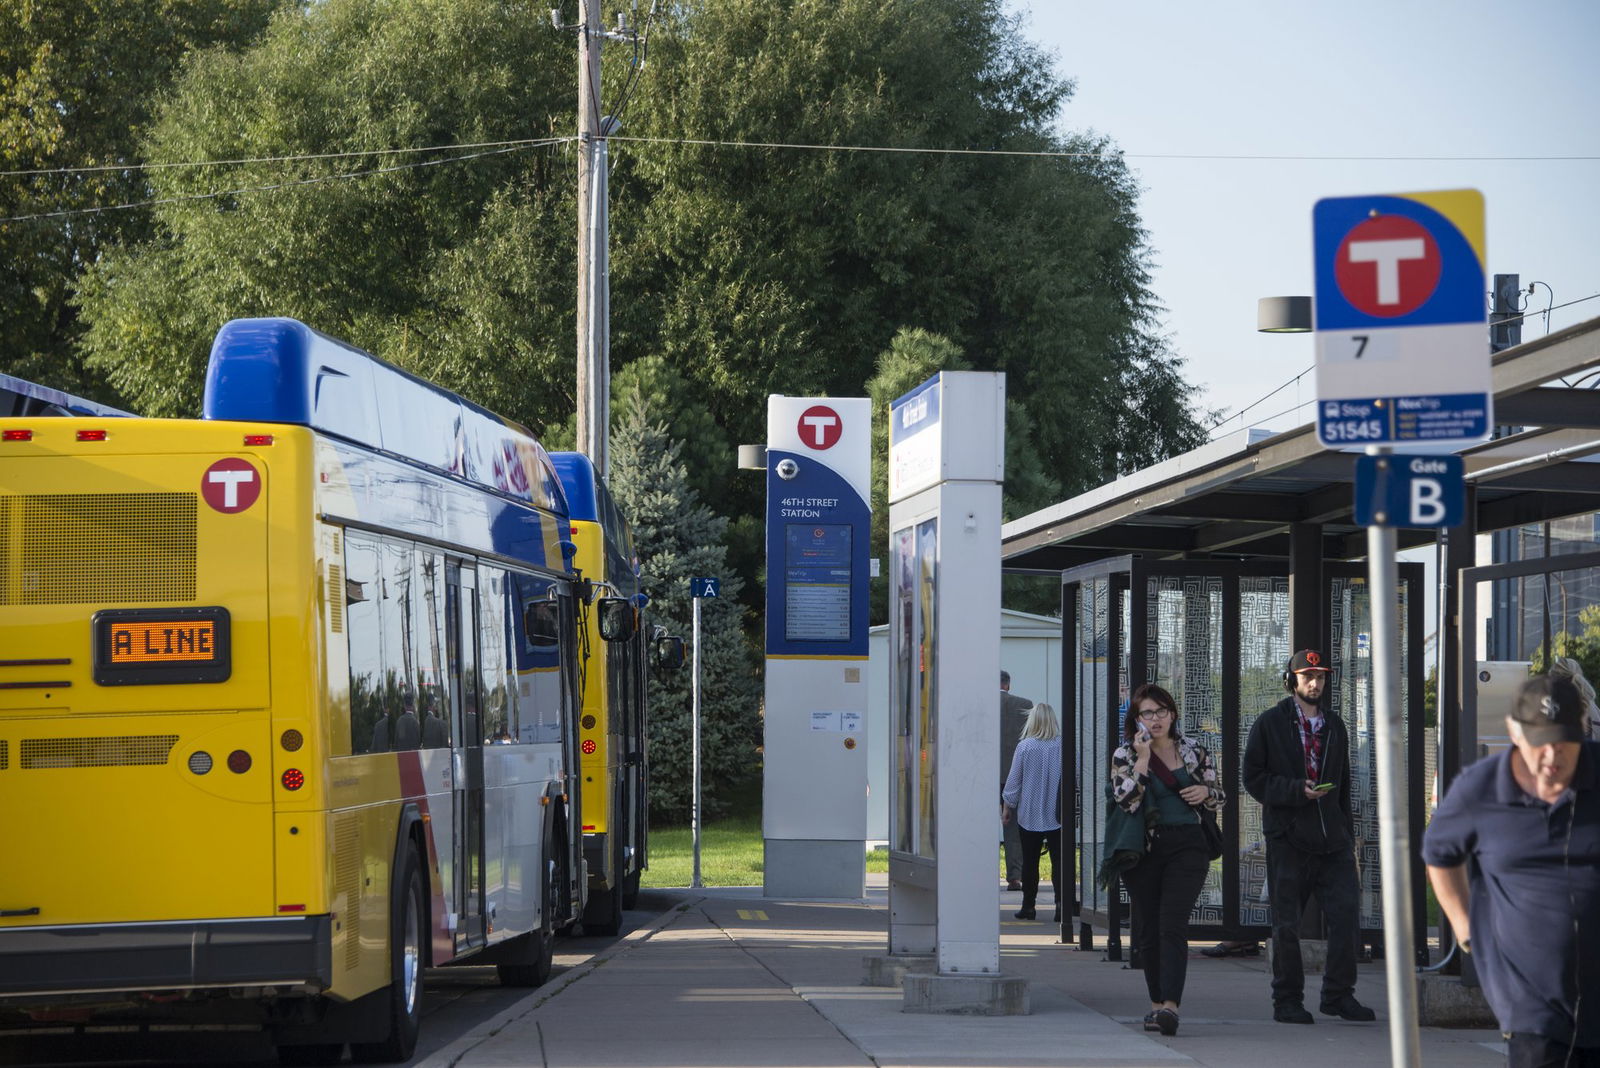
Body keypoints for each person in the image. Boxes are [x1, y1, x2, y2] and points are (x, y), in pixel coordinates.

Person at [1424, 674, 1600, 1067]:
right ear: (1515, 733)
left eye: (1564, 744)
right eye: (1541, 744)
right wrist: (1466, 929)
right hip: (1531, 1007)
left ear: (1583, 732)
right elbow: (1439, 854)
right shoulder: (1481, 787)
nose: (1552, 758)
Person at [1243, 648, 1376, 1025]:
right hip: (1288, 838)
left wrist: (1347, 832)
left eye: (1320, 677)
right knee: (1287, 924)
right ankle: (1286, 1000)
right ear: (1292, 681)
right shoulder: (1270, 723)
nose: (1315, 683)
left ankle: (1338, 995)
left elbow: (1345, 783)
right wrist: (1293, 790)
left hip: (1332, 840)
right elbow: (1253, 778)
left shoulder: (1336, 725)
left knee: (1347, 916)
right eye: (1307, 677)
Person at [1110, 683, 1224, 1037]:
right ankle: (1157, 1003)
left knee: (1172, 923)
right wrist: (1143, 760)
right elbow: (1126, 801)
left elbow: (1219, 797)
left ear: (1173, 714)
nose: (1155, 719)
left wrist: (1206, 791)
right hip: (1144, 849)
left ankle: (1171, 1006)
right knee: (1148, 927)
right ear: (1137, 718)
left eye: (1161, 711)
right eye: (1147, 713)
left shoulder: (1195, 750)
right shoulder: (1125, 755)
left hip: (1188, 845)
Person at [1002, 702, 1061, 923]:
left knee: (1030, 861)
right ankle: (1060, 905)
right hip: (1057, 813)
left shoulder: (1025, 747)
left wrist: (1008, 806)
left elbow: (1014, 781)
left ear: (1032, 720)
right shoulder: (1063, 745)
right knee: (1060, 861)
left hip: (1030, 812)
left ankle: (1029, 906)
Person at [1000, 670, 1035, 891]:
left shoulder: (979, 704)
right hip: (1015, 775)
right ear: (1008, 685)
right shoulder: (1025, 705)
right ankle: (1015, 876)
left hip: (982, 777)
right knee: (1013, 827)